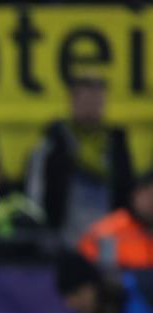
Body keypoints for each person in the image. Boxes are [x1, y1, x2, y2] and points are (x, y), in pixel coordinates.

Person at [26, 76, 134, 247]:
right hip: (63, 235)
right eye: (86, 100)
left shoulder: (115, 141)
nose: (92, 107)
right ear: (72, 101)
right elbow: (36, 186)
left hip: (108, 236)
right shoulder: (55, 140)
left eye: (97, 101)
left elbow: (126, 186)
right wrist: (42, 224)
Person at [78, 171, 153, 269]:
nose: (151, 202)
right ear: (135, 196)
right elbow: (87, 256)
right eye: (148, 196)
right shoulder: (112, 229)